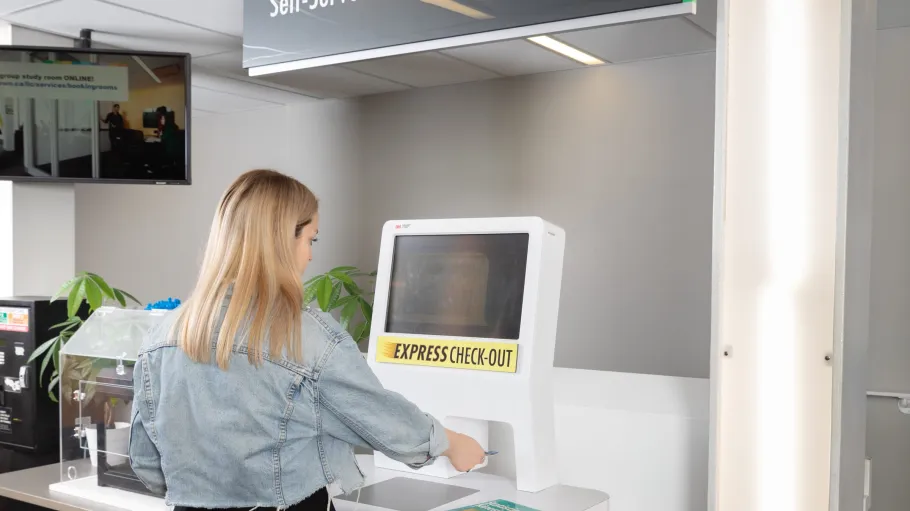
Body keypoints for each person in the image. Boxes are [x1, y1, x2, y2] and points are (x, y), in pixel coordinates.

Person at [128, 169, 486, 511]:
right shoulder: (307, 338)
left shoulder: (163, 335)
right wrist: (451, 443)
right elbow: (382, 420)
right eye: (309, 239)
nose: (311, 254)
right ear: (282, 240)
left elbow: (146, 464)